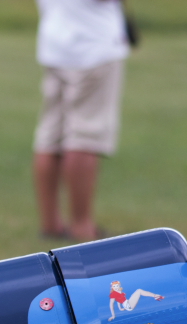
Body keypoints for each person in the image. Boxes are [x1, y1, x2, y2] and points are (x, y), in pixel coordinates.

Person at [32, 0, 130, 241]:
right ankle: (82, 227)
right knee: (85, 137)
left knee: (51, 137)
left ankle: (51, 224)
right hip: (91, 46)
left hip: (55, 44)